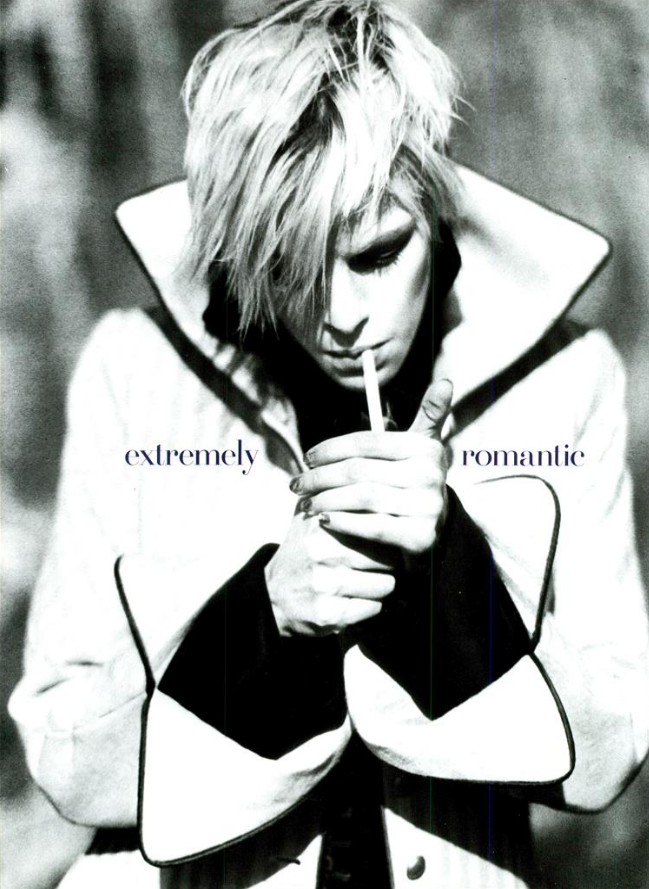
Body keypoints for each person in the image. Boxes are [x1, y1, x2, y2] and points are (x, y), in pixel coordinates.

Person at [9, 1, 649, 887]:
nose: (343, 316)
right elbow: (63, 750)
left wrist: (448, 568)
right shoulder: (135, 366)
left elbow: (607, 756)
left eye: (378, 254)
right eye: (290, 269)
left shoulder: (564, 378)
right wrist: (260, 617)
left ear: (438, 207)